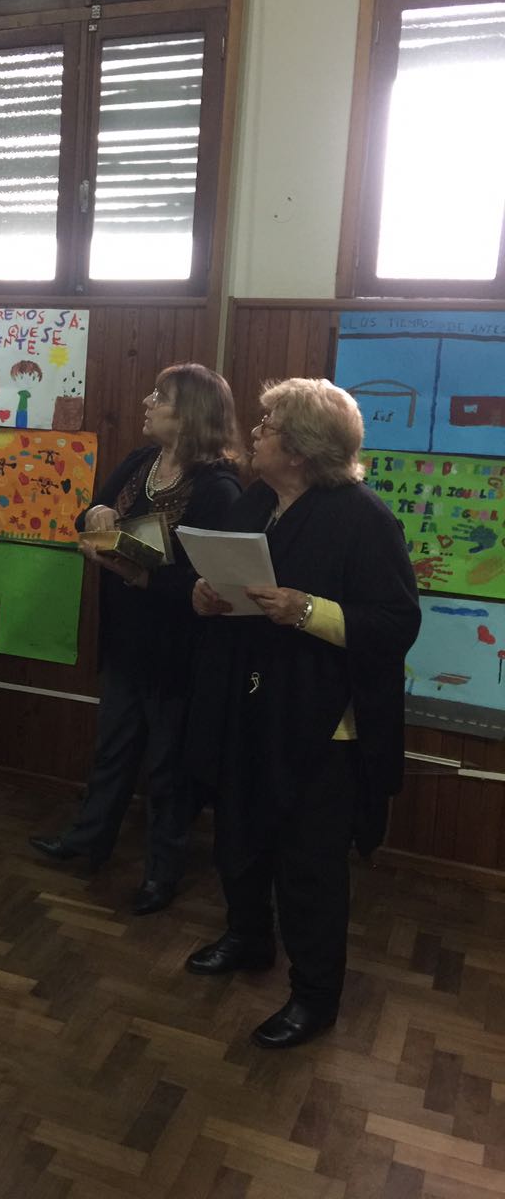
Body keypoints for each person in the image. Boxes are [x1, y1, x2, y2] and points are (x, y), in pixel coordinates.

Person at [185, 378, 420, 1048]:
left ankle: (314, 997)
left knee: (309, 865)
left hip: (324, 725)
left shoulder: (365, 518)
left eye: (267, 425)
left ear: (300, 449)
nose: (255, 433)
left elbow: (396, 622)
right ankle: (248, 938)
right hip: (249, 702)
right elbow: (230, 581)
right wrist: (207, 594)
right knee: (239, 834)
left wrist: (307, 611)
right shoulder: (257, 500)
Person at [29, 364, 244, 914]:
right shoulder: (140, 461)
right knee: (113, 748)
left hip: (179, 650)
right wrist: (97, 515)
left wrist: (136, 572)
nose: (147, 402)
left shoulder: (218, 488)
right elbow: (89, 518)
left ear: (189, 414)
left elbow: (205, 583)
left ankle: (161, 874)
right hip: (126, 637)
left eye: (160, 396)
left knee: (169, 769)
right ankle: (88, 841)